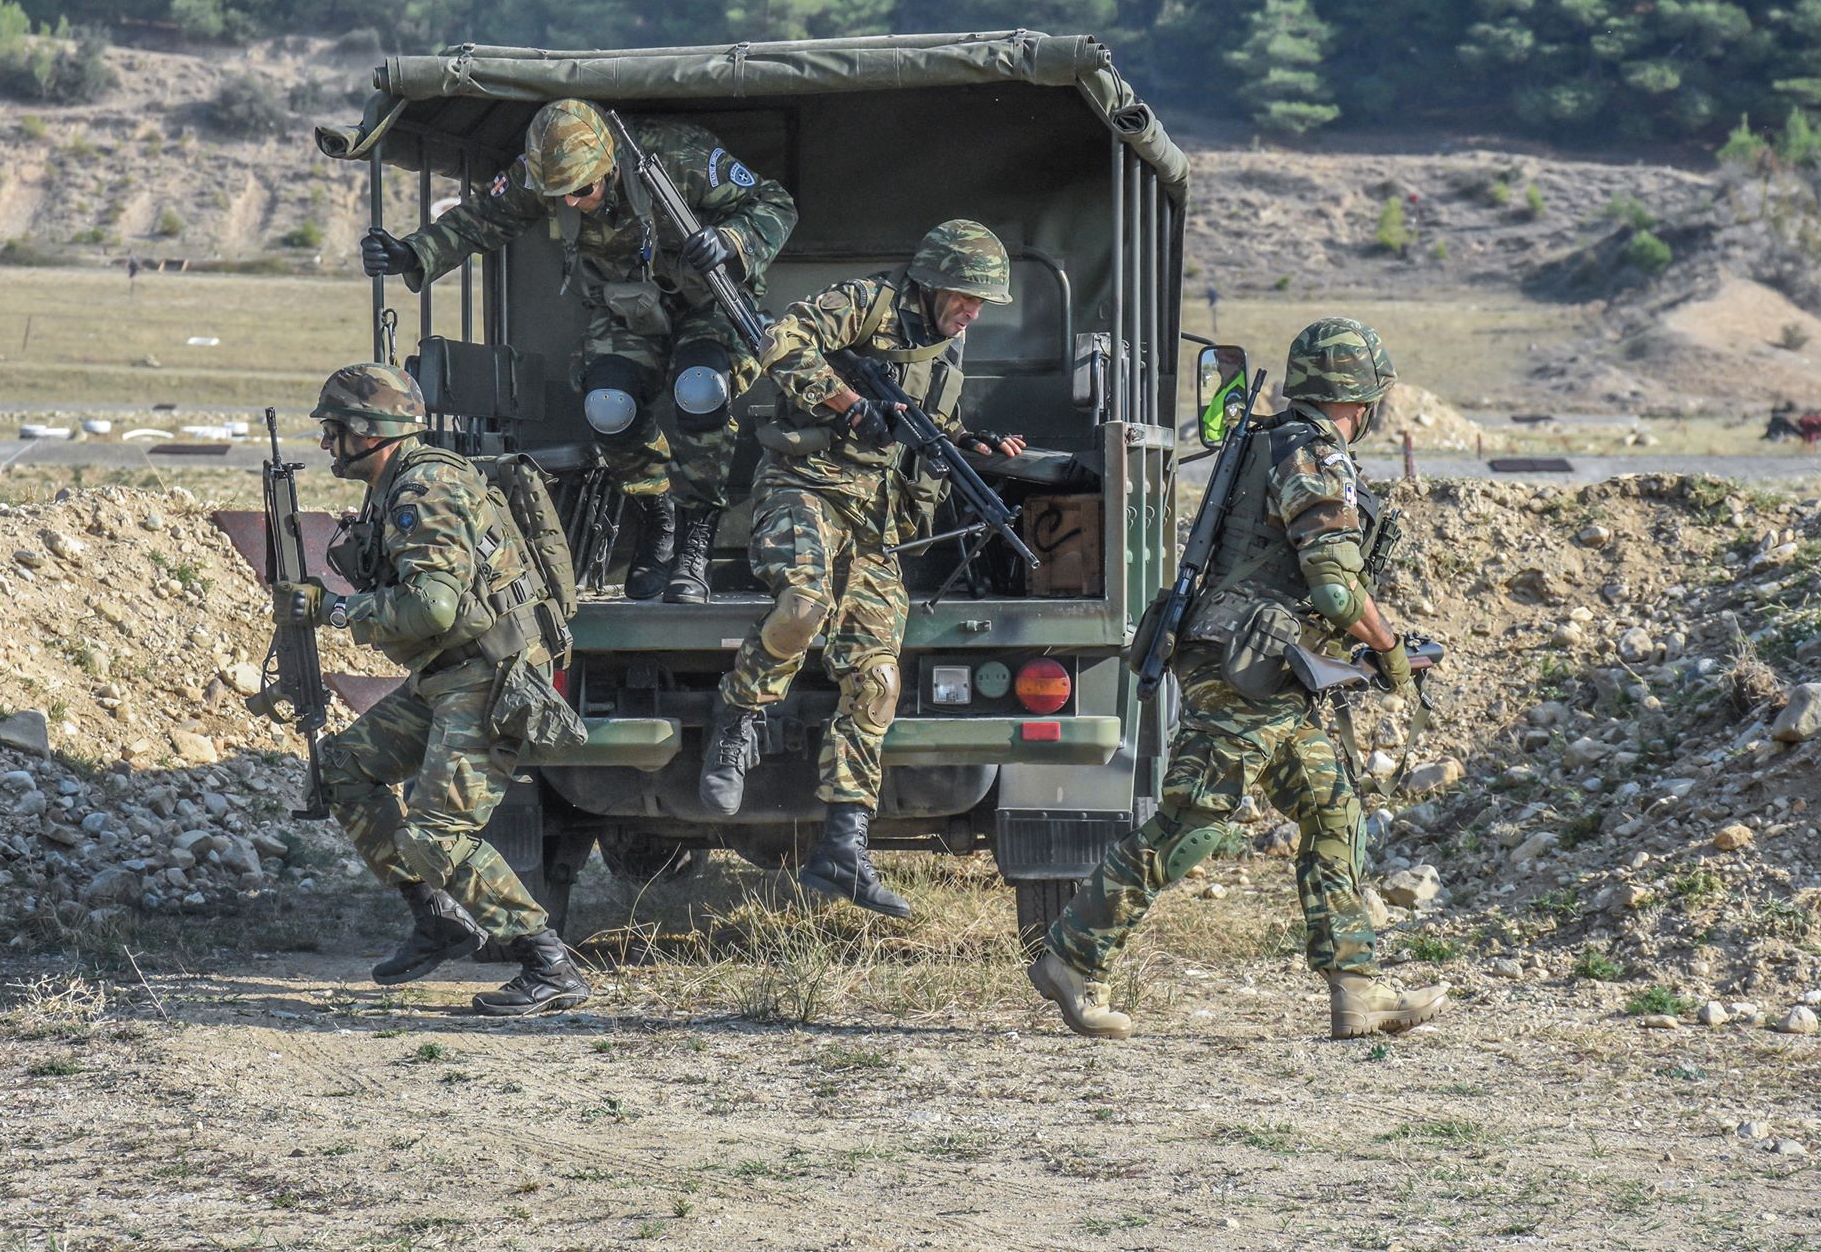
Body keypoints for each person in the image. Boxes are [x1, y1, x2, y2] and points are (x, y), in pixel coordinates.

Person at [1027, 317, 1449, 1041]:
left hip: (1258, 664)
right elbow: (1336, 592)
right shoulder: (1314, 455)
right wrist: (1390, 649)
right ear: (1366, 399)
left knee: (1332, 808)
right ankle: (1070, 956)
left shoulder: (1272, 441)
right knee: (1194, 821)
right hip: (1246, 667)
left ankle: (1355, 989)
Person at [697, 221, 1024, 918]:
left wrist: (972, 441)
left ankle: (843, 846)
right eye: (965, 297)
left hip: (873, 523)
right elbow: (781, 338)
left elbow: (926, 423)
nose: (972, 312)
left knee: (877, 675)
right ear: (933, 282)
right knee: (803, 605)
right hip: (801, 487)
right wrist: (850, 407)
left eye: (981, 303)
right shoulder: (870, 304)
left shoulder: (943, 358)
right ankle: (739, 715)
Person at [360, 98, 797, 605]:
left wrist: (730, 239)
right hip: (629, 308)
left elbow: (775, 203)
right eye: (557, 195)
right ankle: (658, 513)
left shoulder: (679, 156)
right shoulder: (541, 175)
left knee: (700, 390)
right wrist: (413, 251)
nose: (570, 203)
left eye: (581, 190)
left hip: (710, 300)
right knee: (607, 406)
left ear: (607, 167)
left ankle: (696, 537)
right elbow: (484, 217)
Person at [273, 362, 589, 1015]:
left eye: (334, 429)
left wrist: (332, 612)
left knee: (440, 833)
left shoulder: (426, 488)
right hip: (451, 676)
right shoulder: (393, 488)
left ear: (371, 430)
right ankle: (437, 920)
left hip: (489, 675)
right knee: (341, 767)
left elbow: (433, 608)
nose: (327, 444)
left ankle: (548, 962)